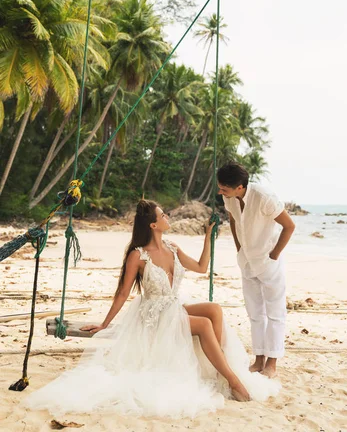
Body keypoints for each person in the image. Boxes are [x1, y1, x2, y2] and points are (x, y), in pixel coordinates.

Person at [25, 199, 280, 418]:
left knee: (214, 309)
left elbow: (202, 267)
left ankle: (217, 369)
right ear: (153, 225)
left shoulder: (172, 248)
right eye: (163, 215)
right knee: (202, 324)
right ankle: (232, 379)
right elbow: (123, 293)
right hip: (153, 316)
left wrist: (208, 237)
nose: (167, 217)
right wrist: (104, 324)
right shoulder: (138, 255)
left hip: (173, 307)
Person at [217, 162, 295, 379]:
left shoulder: (264, 197)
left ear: (240, 187)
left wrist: (274, 255)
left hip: (268, 262)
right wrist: (239, 248)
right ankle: (258, 359)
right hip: (247, 262)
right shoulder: (229, 197)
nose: (220, 192)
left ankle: (272, 363)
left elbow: (289, 226)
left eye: (224, 189)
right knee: (254, 313)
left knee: (275, 313)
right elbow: (233, 220)